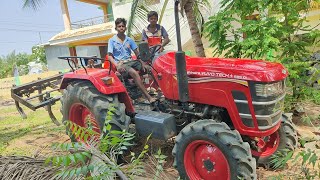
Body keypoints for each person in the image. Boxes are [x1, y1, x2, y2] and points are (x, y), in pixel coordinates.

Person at [108, 18, 156, 103]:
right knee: (133, 72)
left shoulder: (129, 40)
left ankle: (159, 91)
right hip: (121, 63)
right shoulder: (112, 41)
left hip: (131, 61)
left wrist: (143, 64)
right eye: (119, 26)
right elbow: (110, 56)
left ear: (125, 28)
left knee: (150, 68)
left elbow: (137, 54)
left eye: (123, 26)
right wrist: (117, 65)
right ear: (116, 28)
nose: (121, 28)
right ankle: (148, 97)